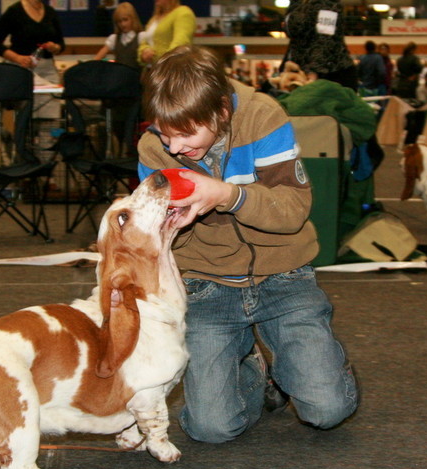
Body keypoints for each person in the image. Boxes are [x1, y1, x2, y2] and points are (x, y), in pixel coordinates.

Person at [138, 46, 358, 444]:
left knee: (327, 411)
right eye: (164, 133)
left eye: (186, 134)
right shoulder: (154, 148)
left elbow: (293, 209)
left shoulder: (263, 116)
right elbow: (156, 237)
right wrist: (164, 225)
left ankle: (303, 365)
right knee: (211, 428)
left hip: (284, 274)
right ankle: (254, 369)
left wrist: (227, 195)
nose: (173, 149)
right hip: (206, 283)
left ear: (221, 111)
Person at [0, 0, 65, 118]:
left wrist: (55, 47)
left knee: (50, 111)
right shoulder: (14, 11)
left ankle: (48, 136)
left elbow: (61, 43)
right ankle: (23, 135)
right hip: (22, 68)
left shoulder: (50, 12)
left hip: (47, 69)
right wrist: (17, 58)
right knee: (26, 111)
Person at [281, 0, 357, 91]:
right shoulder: (297, 3)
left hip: (331, 73)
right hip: (299, 71)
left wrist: (312, 73)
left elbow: (325, 39)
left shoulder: (328, 3)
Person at [138, 0, 195, 68]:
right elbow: (144, 41)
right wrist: (144, 51)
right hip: (151, 70)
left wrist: (159, 59)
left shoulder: (183, 13)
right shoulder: (154, 18)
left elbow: (180, 44)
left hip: (172, 70)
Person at [94, 2, 144, 69]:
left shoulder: (141, 37)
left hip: (136, 77)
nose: (123, 24)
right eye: (119, 21)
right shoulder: (114, 39)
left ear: (133, 19)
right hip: (119, 77)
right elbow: (98, 57)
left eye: (125, 20)